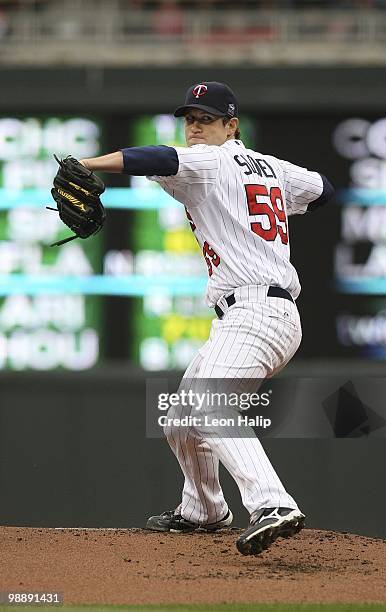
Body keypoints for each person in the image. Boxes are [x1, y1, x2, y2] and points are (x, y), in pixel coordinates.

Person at [79, 81, 334, 556]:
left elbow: (158, 157)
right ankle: (204, 509)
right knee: (180, 417)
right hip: (263, 312)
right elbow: (323, 191)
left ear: (230, 126)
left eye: (206, 118)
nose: (194, 126)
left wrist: (88, 165)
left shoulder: (211, 159)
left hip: (257, 310)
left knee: (210, 404)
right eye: (190, 118)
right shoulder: (273, 167)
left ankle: (273, 504)